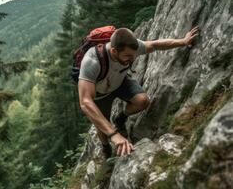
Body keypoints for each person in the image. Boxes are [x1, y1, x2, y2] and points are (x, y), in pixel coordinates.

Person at [78, 27, 199, 158]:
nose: (132, 59)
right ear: (114, 51)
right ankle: (106, 148)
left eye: (134, 55)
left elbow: (154, 45)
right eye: (128, 56)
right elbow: (85, 102)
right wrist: (114, 135)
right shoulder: (92, 61)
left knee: (143, 101)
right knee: (101, 125)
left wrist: (183, 41)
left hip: (120, 82)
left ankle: (121, 118)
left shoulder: (130, 49)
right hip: (101, 93)